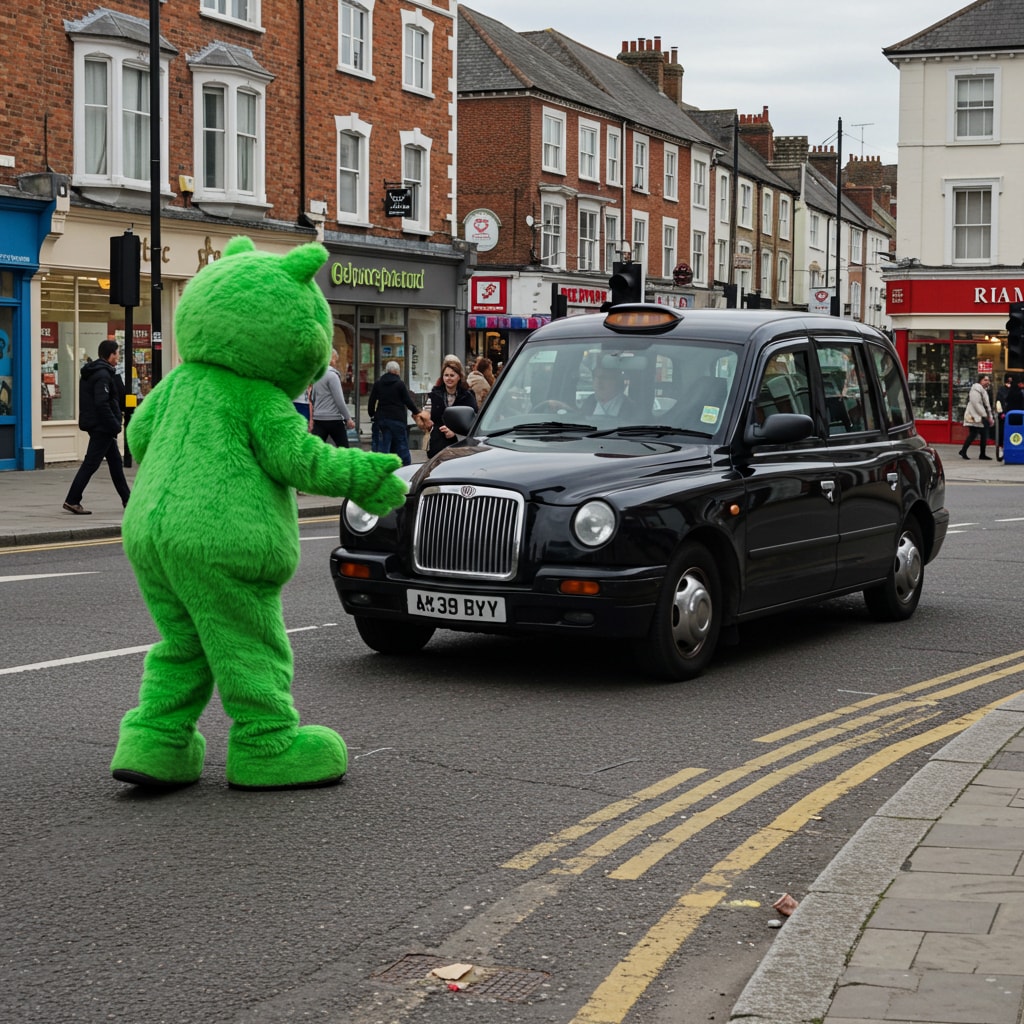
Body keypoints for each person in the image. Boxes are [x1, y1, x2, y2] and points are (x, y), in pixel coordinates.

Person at [62, 337, 131, 514]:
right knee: (91, 464)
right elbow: (102, 403)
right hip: (103, 427)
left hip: (99, 425)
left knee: (116, 463)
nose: (118, 357)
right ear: (110, 355)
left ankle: (128, 500)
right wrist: (115, 424)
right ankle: (72, 500)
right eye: (116, 353)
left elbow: (116, 396)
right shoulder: (102, 375)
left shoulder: (98, 372)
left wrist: (114, 373)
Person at [367, 359, 422, 466]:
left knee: (382, 448)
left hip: (381, 419)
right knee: (401, 447)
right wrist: (417, 412)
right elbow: (407, 401)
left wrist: (372, 414)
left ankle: (381, 470)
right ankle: (405, 469)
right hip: (397, 419)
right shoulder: (400, 384)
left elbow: (372, 401)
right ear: (397, 372)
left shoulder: (378, 383)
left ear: (386, 371)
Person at [425, 356, 477, 458]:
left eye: (452, 375)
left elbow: (474, 420)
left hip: (460, 447)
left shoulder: (467, 396)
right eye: (446, 375)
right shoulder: (434, 394)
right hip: (437, 446)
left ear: (459, 377)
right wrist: (426, 421)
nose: (448, 378)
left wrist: (455, 432)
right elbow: (427, 414)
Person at [308, 349, 354, 447]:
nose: (335, 363)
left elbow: (312, 397)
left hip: (319, 418)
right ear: (331, 359)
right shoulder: (332, 376)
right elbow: (339, 400)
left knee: (316, 449)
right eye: (335, 360)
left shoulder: (317, 375)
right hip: (334, 419)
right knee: (344, 450)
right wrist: (348, 418)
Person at [959, 373, 994, 460]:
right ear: (980, 381)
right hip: (975, 416)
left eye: (988, 380)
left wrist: (989, 415)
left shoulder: (983, 390)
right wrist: (985, 415)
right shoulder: (976, 390)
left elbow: (986, 404)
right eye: (985, 380)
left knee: (983, 435)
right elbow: (976, 404)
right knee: (974, 434)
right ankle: (964, 451)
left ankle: (981, 454)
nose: (987, 382)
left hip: (980, 416)